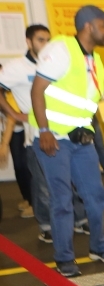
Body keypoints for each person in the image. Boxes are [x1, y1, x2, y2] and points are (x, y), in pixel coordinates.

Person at [30, 4, 104, 277]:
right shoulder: (61, 49)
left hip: (81, 141)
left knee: (95, 197)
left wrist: (89, 131)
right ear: (89, 26)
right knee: (62, 200)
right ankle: (64, 258)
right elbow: (37, 91)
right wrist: (44, 131)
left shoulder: (96, 60)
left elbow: (88, 103)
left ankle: (98, 247)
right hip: (53, 140)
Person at [0, 24, 50, 219]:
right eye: (40, 40)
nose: (45, 44)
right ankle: (45, 226)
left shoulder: (51, 63)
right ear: (29, 42)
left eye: (48, 40)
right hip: (35, 134)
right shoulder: (17, 67)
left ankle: (78, 220)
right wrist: (15, 114)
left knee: (64, 181)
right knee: (41, 184)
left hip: (60, 131)